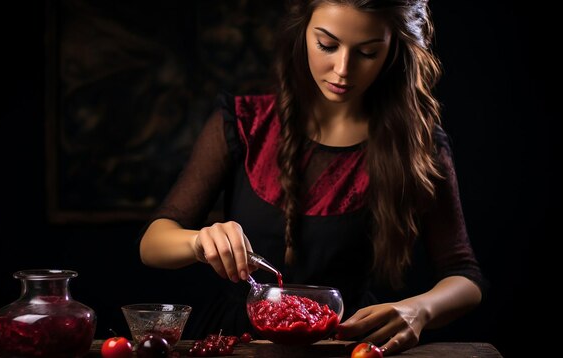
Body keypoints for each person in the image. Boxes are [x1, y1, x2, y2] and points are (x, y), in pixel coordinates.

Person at [139, 0, 486, 354]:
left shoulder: (416, 144)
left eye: (367, 52)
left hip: (344, 343)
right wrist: (199, 241)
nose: (343, 70)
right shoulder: (245, 124)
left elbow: (464, 276)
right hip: (237, 342)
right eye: (327, 45)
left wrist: (419, 310)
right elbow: (152, 244)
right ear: (302, 32)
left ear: (393, 50)